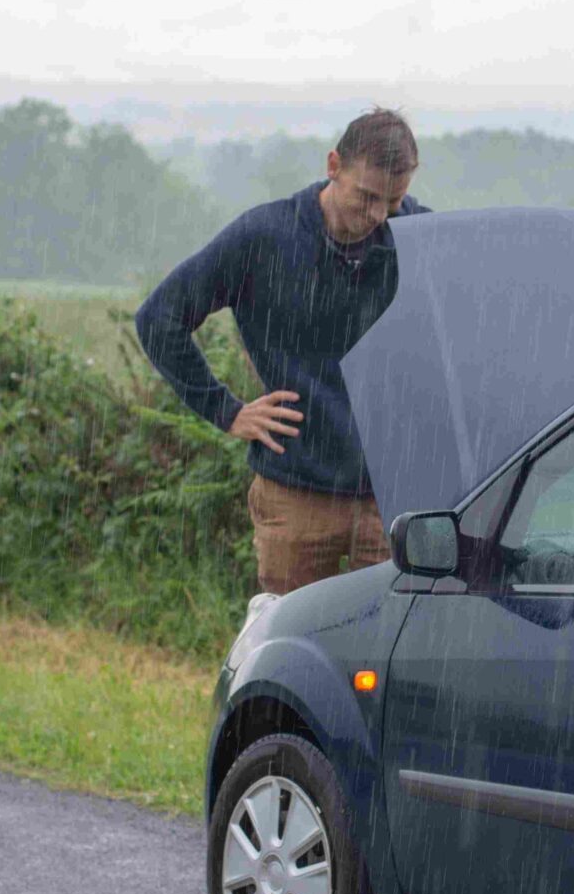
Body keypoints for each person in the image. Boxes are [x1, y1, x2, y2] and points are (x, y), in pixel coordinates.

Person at [135, 108, 429, 595]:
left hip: (392, 501)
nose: (379, 216)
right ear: (333, 165)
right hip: (293, 497)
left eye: (393, 202)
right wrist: (225, 411)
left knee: (385, 657)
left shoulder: (419, 237)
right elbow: (159, 318)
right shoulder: (263, 237)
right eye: (367, 197)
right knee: (289, 645)